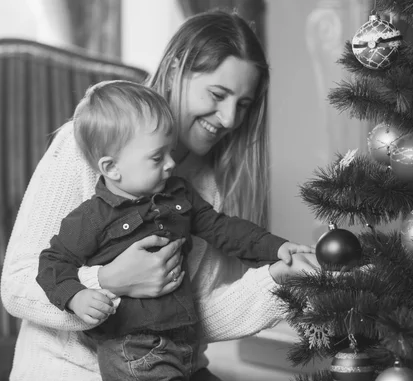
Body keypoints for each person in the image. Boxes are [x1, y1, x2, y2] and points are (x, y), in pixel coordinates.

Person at [1, 9, 319, 381]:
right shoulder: (85, 147)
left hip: (172, 366)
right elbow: (17, 286)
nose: (231, 119)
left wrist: (280, 279)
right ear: (175, 71)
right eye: (218, 94)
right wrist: (107, 282)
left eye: (243, 104)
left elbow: (197, 316)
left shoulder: (206, 186)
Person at [35, 80, 307, 380]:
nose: (170, 163)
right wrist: (75, 296)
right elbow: (53, 262)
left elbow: (223, 229)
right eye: (157, 157)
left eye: (170, 151)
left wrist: (277, 247)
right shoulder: (91, 217)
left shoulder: (179, 194)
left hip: (184, 343)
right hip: (134, 350)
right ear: (112, 168)